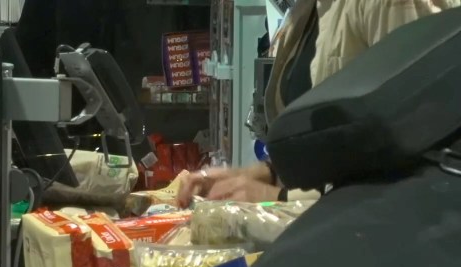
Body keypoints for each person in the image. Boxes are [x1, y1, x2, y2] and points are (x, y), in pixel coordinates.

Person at [178, 0, 460, 206]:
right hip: (325, 236)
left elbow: (423, 154)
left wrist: (275, 198)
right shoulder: (308, 9)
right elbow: (335, 142)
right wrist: (257, 175)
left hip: (382, 253)